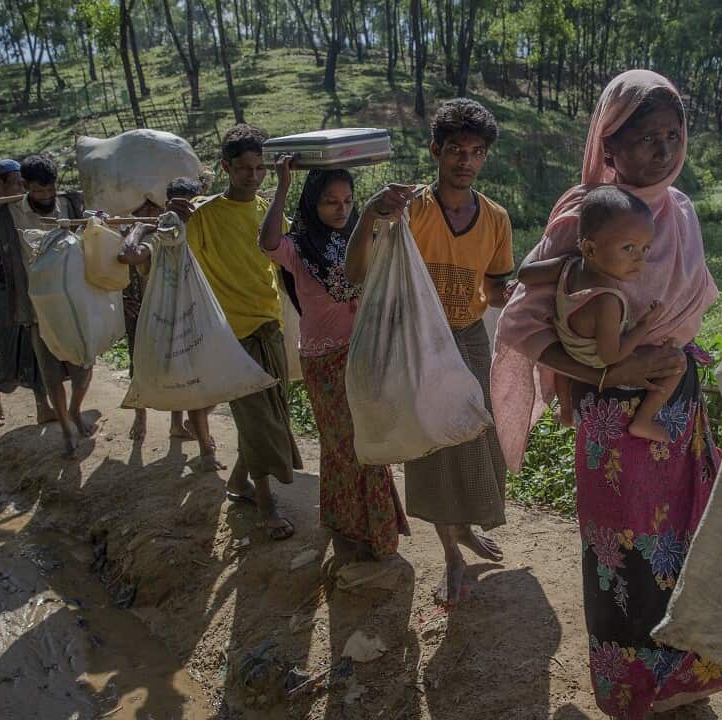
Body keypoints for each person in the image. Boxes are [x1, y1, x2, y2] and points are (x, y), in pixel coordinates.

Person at [491, 70, 722, 719]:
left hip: (678, 404)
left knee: (685, 538)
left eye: (672, 134)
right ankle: (633, 685)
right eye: (643, 139)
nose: (661, 150)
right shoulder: (587, 217)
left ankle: (686, 678)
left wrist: (658, 371)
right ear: (610, 145)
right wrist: (609, 373)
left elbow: (684, 313)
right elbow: (519, 321)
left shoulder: (683, 212)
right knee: (625, 550)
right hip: (614, 417)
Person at [346, 98, 512, 607]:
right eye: (457, 149)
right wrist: (372, 212)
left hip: (468, 338)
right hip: (415, 343)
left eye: (477, 151)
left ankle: (464, 528)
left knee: (477, 437)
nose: (466, 160)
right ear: (436, 151)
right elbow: (357, 274)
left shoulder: (496, 218)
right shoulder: (409, 210)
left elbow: (500, 287)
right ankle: (450, 554)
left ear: (485, 157)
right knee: (430, 444)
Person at [259, 160, 411, 569]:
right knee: (344, 447)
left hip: (364, 353)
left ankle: (372, 529)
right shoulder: (299, 246)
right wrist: (282, 186)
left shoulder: (359, 237)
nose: (341, 209)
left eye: (347, 200)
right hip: (324, 359)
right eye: (330, 201)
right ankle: (357, 529)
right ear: (312, 202)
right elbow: (267, 242)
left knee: (369, 441)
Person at [167, 124, 301, 541]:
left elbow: (293, 250)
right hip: (232, 335)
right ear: (226, 167)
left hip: (270, 326)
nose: (253, 174)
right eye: (244, 167)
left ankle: (239, 482)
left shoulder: (266, 209)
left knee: (271, 412)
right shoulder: (206, 216)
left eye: (261, 167)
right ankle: (267, 505)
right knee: (257, 418)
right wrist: (171, 219)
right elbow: (175, 254)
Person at [516, 186, 674, 442]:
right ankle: (644, 419)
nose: (639, 259)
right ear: (589, 249)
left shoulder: (567, 266)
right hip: (597, 361)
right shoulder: (606, 300)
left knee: (565, 369)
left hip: (569, 350)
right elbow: (610, 356)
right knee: (677, 362)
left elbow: (525, 275)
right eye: (628, 248)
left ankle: (566, 411)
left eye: (645, 249)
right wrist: (644, 325)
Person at [0, 155, 90, 455]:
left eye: (50, 189)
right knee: (50, 371)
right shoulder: (5, 215)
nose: (47, 196)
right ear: (25, 186)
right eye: (39, 191)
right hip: (36, 307)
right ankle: (66, 427)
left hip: (71, 304)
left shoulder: (69, 204)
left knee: (82, 370)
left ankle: (76, 410)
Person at [116, 176, 212, 459]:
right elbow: (128, 255)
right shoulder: (157, 237)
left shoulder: (203, 230)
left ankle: (178, 426)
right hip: (156, 317)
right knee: (147, 369)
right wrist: (139, 228)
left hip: (194, 315)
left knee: (190, 374)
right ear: (167, 205)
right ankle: (140, 417)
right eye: (177, 206)